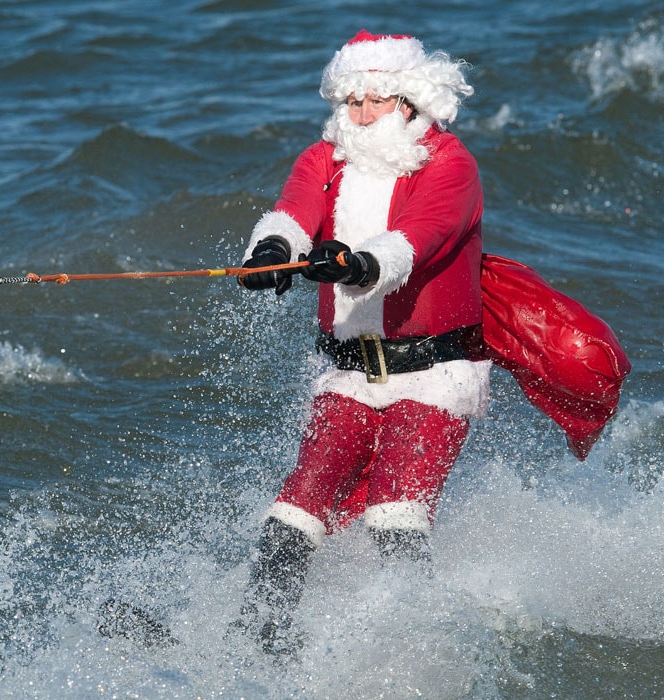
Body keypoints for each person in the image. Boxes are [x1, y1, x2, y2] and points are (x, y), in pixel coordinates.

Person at [234, 29, 490, 656]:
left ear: (409, 101)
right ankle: (258, 642)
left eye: (375, 100)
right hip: (349, 374)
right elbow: (294, 211)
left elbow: (421, 236)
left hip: (435, 374)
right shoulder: (324, 159)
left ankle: (426, 647)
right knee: (291, 516)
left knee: (394, 518)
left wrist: (355, 265)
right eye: (352, 100)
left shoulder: (451, 164)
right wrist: (275, 249)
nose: (361, 114)